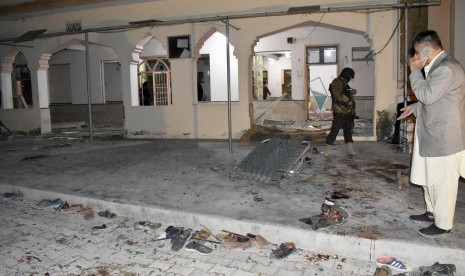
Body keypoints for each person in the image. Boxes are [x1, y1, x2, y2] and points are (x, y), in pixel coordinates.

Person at [397, 30, 465, 238]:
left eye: (417, 52)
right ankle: (431, 212)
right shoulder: (438, 67)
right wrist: (415, 108)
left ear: (427, 49)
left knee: (443, 182)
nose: (416, 57)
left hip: (444, 137)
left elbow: (428, 95)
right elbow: (437, 99)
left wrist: (414, 72)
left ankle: (443, 224)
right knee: (430, 178)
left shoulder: (447, 68)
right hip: (432, 132)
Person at [324, 67, 357, 156]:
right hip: (339, 111)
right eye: (349, 77)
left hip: (347, 111)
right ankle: (328, 148)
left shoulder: (344, 83)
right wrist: (348, 101)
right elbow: (337, 95)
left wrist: (351, 91)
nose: (350, 79)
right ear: (346, 76)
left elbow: (345, 92)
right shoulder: (337, 82)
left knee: (348, 130)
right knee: (335, 129)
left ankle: (350, 147)